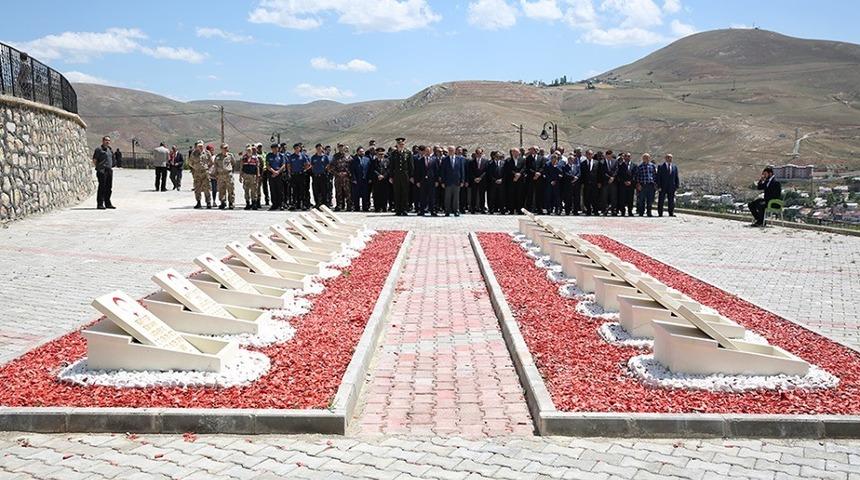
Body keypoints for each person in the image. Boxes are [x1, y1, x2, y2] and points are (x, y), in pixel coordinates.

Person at [389, 138, 413, 216]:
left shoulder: (408, 153)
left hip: (405, 175)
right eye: (399, 144)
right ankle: (398, 210)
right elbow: (391, 166)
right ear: (397, 145)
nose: (401, 145)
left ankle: (404, 209)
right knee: (397, 192)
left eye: (402, 144)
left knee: (405, 192)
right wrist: (391, 176)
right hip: (396, 176)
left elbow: (411, 165)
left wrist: (411, 176)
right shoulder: (394, 153)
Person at [440, 145, 465, 217]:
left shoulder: (459, 159)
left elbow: (462, 171)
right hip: (448, 182)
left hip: (457, 181)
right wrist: (442, 182)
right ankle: (447, 211)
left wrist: (462, 181)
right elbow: (442, 172)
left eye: (452, 150)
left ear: (455, 151)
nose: (451, 152)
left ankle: (456, 211)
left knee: (456, 198)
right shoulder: (445, 160)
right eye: (449, 150)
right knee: (447, 197)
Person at [92, 136, 115, 209]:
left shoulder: (110, 150)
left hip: (109, 170)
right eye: (106, 140)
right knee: (102, 187)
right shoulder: (99, 150)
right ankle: (100, 204)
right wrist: (98, 168)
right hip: (102, 170)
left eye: (109, 140)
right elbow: (95, 160)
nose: (107, 142)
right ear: (103, 141)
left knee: (109, 187)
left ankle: (108, 203)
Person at [188, 141, 212, 209]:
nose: (200, 147)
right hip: (197, 173)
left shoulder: (207, 153)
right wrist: (195, 167)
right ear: (197, 146)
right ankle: (198, 202)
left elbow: (211, 162)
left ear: (203, 146)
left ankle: (208, 202)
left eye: (201, 146)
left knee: (207, 188)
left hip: (205, 173)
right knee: (197, 188)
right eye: (199, 146)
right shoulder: (193, 153)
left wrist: (207, 168)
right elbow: (190, 162)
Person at [416, 146, 438, 216]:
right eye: (426, 151)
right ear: (424, 151)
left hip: (431, 181)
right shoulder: (420, 160)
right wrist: (418, 181)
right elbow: (417, 172)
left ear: (431, 151)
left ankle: (432, 211)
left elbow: (436, 171)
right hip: (423, 181)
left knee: (432, 197)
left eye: (429, 151)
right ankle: (422, 210)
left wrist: (436, 181)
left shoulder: (434, 160)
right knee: (422, 197)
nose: (427, 152)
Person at [288, 143, 310, 210]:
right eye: (295, 148)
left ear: (300, 148)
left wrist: (305, 170)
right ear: (294, 149)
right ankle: (295, 204)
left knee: (302, 190)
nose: (296, 149)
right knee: (294, 190)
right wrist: (289, 173)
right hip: (294, 175)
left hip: (301, 175)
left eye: (297, 148)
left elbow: (307, 164)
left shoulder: (303, 156)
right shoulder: (291, 156)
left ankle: (303, 204)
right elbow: (289, 165)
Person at [214, 143, 236, 210]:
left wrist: (230, 171)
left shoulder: (230, 155)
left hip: (228, 175)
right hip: (221, 175)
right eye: (224, 148)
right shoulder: (218, 157)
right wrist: (216, 174)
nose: (226, 149)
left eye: (227, 148)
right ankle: (223, 202)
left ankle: (231, 203)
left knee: (230, 189)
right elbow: (215, 165)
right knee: (221, 189)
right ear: (221, 149)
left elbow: (233, 163)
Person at [240, 145, 262, 210]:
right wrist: (240, 176)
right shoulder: (243, 158)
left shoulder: (255, 158)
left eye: (250, 150)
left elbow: (257, 167)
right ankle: (247, 203)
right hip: (246, 176)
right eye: (247, 150)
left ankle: (254, 204)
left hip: (253, 176)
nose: (248, 151)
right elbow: (241, 167)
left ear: (252, 151)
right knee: (246, 190)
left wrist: (258, 175)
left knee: (254, 190)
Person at [332, 145, 353, 212]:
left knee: (348, 192)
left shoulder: (348, 156)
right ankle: (339, 205)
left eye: (342, 147)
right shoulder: (335, 156)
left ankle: (349, 206)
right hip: (338, 177)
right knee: (338, 192)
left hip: (346, 177)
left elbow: (351, 167)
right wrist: (336, 173)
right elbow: (332, 166)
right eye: (340, 147)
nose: (341, 148)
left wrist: (347, 173)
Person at [350, 147, 372, 211]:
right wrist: (353, 178)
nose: (362, 152)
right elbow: (352, 170)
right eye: (360, 151)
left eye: (362, 151)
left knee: (365, 194)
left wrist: (370, 178)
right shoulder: (353, 160)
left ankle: (365, 207)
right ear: (357, 152)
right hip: (357, 180)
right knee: (356, 194)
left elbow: (370, 169)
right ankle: (356, 207)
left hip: (365, 180)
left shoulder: (367, 159)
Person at [268, 143, 288, 210]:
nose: (276, 149)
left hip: (279, 174)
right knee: (273, 189)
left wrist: (278, 172)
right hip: (271, 174)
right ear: (272, 149)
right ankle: (274, 204)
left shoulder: (281, 156)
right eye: (274, 148)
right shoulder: (269, 155)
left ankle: (281, 204)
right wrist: (273, 171)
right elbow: (268, 165)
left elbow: (283, 165)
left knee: (280, 190)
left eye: (277, 148)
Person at [370, 147, 391, 212]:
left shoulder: (387, 161)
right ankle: (377, 207)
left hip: (384, 180)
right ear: (376, 154)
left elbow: (388, 170)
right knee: (376, 194)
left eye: (382, 154)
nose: (381, 155)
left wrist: (383, 176)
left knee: (384, 194)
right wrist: (378, 175)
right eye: (379, 154)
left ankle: (384, 207)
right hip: (376, 180)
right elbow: (373, 170)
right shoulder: (374, 161)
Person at [468, 148, 488, 214]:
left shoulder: (485, 161)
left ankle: (482, 209)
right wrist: (474, 178)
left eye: (480, 153)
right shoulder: (471, 161)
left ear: (482, 153)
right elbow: (470, 171)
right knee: (473, 195)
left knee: (482, 195)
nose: (479, 154)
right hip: (474, 181)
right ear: (475, 154)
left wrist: (480, 178)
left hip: (482, 181)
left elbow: (486, 171)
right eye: (478, 153)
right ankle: (472, 209)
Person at [310, 144, 330, 208]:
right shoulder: (313, 157)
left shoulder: (325, 157)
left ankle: (324, 204)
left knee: (324, 190)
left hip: (323, 176)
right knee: (316, 190)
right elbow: (312, 166)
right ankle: (317, 204)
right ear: (316, 149)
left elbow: (328, 166)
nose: (319, 149)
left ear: (322, 149)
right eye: (317, 148)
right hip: (315, 176)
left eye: (320, 148)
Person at [616, 152, 635, 216]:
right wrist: (624, 181)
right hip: (623, 185)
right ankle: (623, 211)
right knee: (622, 199)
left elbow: (635, 175)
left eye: (629, 156)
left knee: (630, 199)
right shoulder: (620, 165)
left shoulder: (634, 165)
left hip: (631, 185)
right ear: (624, 157)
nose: (627, 157)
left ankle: (630, 211)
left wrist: (631, 182)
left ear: (630, 157)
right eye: (626, 156)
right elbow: (619, 175)